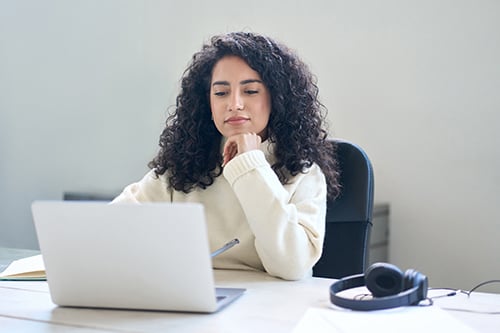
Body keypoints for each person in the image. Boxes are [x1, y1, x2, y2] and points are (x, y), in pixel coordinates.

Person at [112, 31, 340, 281]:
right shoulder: (185, 163)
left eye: (251, 91)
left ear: (277, 98)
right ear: (206, 102)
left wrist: (249, 165)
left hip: (272, 310)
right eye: (220, 93)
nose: (234, 104)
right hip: (190, 299)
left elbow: (291, 266)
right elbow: (112, 226)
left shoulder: (303, 172)